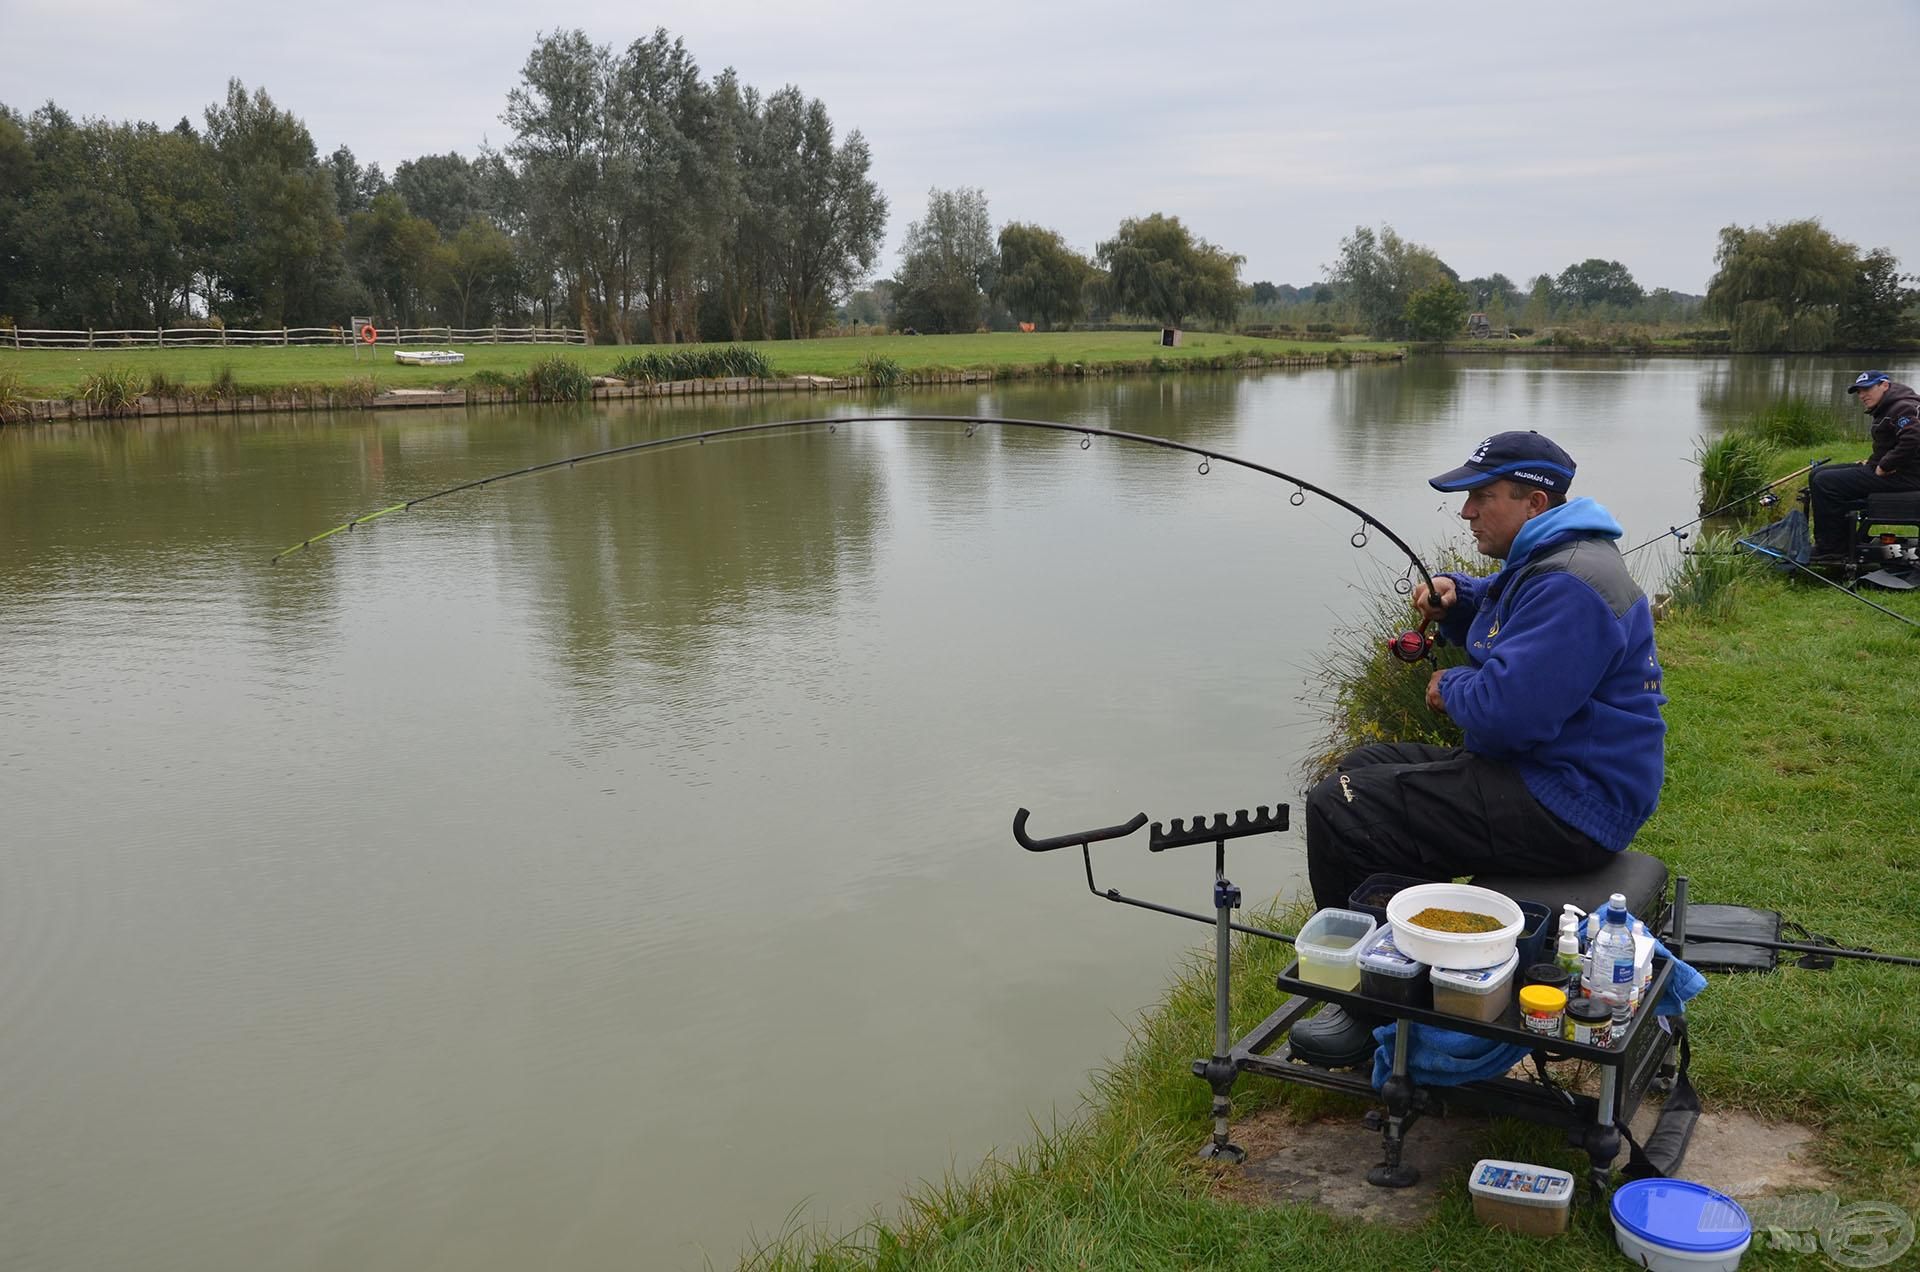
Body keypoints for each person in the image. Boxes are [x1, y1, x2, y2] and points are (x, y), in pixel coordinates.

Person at [1289, 430, 1668, 1067]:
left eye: (1481, 496)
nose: (1466, 511)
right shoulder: (1561, 559)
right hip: (1551, 774)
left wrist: (1451, 686)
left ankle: (1366, 1008)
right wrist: (1458, 598)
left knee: (1340, 806)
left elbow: (1503, 717)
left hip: (1571, 802)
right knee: (1360, 770)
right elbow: (1505, 612)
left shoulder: (1573, 584)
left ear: (1535, 504)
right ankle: (1415, 961)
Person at [1808, 371, 1920, 562]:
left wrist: (1884, 465)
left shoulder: (1902, 407)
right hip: (1902, 470)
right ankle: (1837, 541)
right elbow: (1892, 443)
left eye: (1867, 389)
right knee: (1818, 473)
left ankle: (1832, 548)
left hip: (1909, 476)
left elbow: (1913, 439)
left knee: (1826, 482)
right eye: (1859, 391)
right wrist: (1874, 461)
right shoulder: (1891, 406)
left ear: (1884, 385)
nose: (1862, 395)